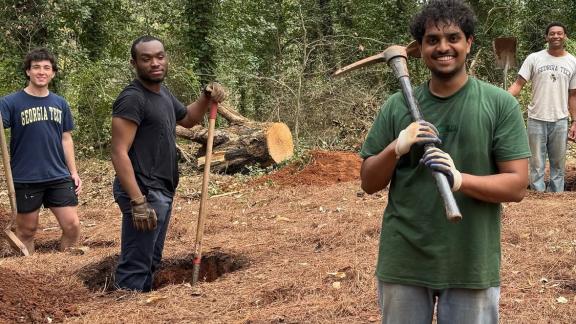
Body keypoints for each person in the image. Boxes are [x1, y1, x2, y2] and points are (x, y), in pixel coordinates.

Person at [359, 1, 531, 323]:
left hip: (471, 262)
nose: (443, 47)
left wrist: (460, 179)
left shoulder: (500, 104)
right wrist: (395, 148)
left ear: (469, 42)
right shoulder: (397, 106)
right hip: (404, 261)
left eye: (453, 37)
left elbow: (517, 184)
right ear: (421, 48)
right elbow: (368, 182)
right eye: (432, 40)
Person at [111, 35, 226, 292]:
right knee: (137, 264)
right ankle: (126, 308)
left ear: (166, 58)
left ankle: (144, 308)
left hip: (161, 188)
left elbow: (187, 119)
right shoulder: (132, 98)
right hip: (143, 190)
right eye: (146, 58)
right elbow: (119, 152)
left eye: (159, 56)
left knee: (151, 260)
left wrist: (206, 97)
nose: (155, 63)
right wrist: (137, 201)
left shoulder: (162, 93)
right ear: (134, 63)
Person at [0, 48, 82, 254]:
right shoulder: (10, 102)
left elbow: (66, 138)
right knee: (27, 231)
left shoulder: (60, 103)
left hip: (58, 175)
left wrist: (73, 171)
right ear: (28, 71)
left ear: (53, 73)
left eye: (47, 68)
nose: (41, 71)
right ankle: (26, 276)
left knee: (72, 226)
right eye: (36, 67)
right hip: (25, 176)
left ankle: (67, 272)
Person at [508, 22, 576, 192]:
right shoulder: (534, 58)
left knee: (558, 163)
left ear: (565, 36)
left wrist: (575, 121)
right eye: (552, 33)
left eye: (560, 33)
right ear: (546, 37)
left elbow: (573, 95)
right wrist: (501, 100)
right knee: (536, 163)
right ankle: (538, 194)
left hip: (560, 120)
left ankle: (557, 194)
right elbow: (518, 84)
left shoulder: (573, 62)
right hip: (536, 118)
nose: (556, 36)